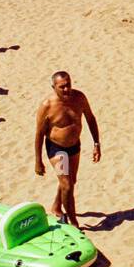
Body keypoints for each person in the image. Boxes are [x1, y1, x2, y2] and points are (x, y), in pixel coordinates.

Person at [34, 71, 101, 228]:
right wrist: (38, 160)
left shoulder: (79, 98)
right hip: (57, 148)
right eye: (62, 87)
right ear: (54, 87)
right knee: (67, 185)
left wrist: (96, 143)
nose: (66, 89)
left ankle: (57, 206)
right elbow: (39, 134)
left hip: (74, 146)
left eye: (68, 85)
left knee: (71, 181)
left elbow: (90, 118)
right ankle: (74, 223)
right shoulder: (47, 106)